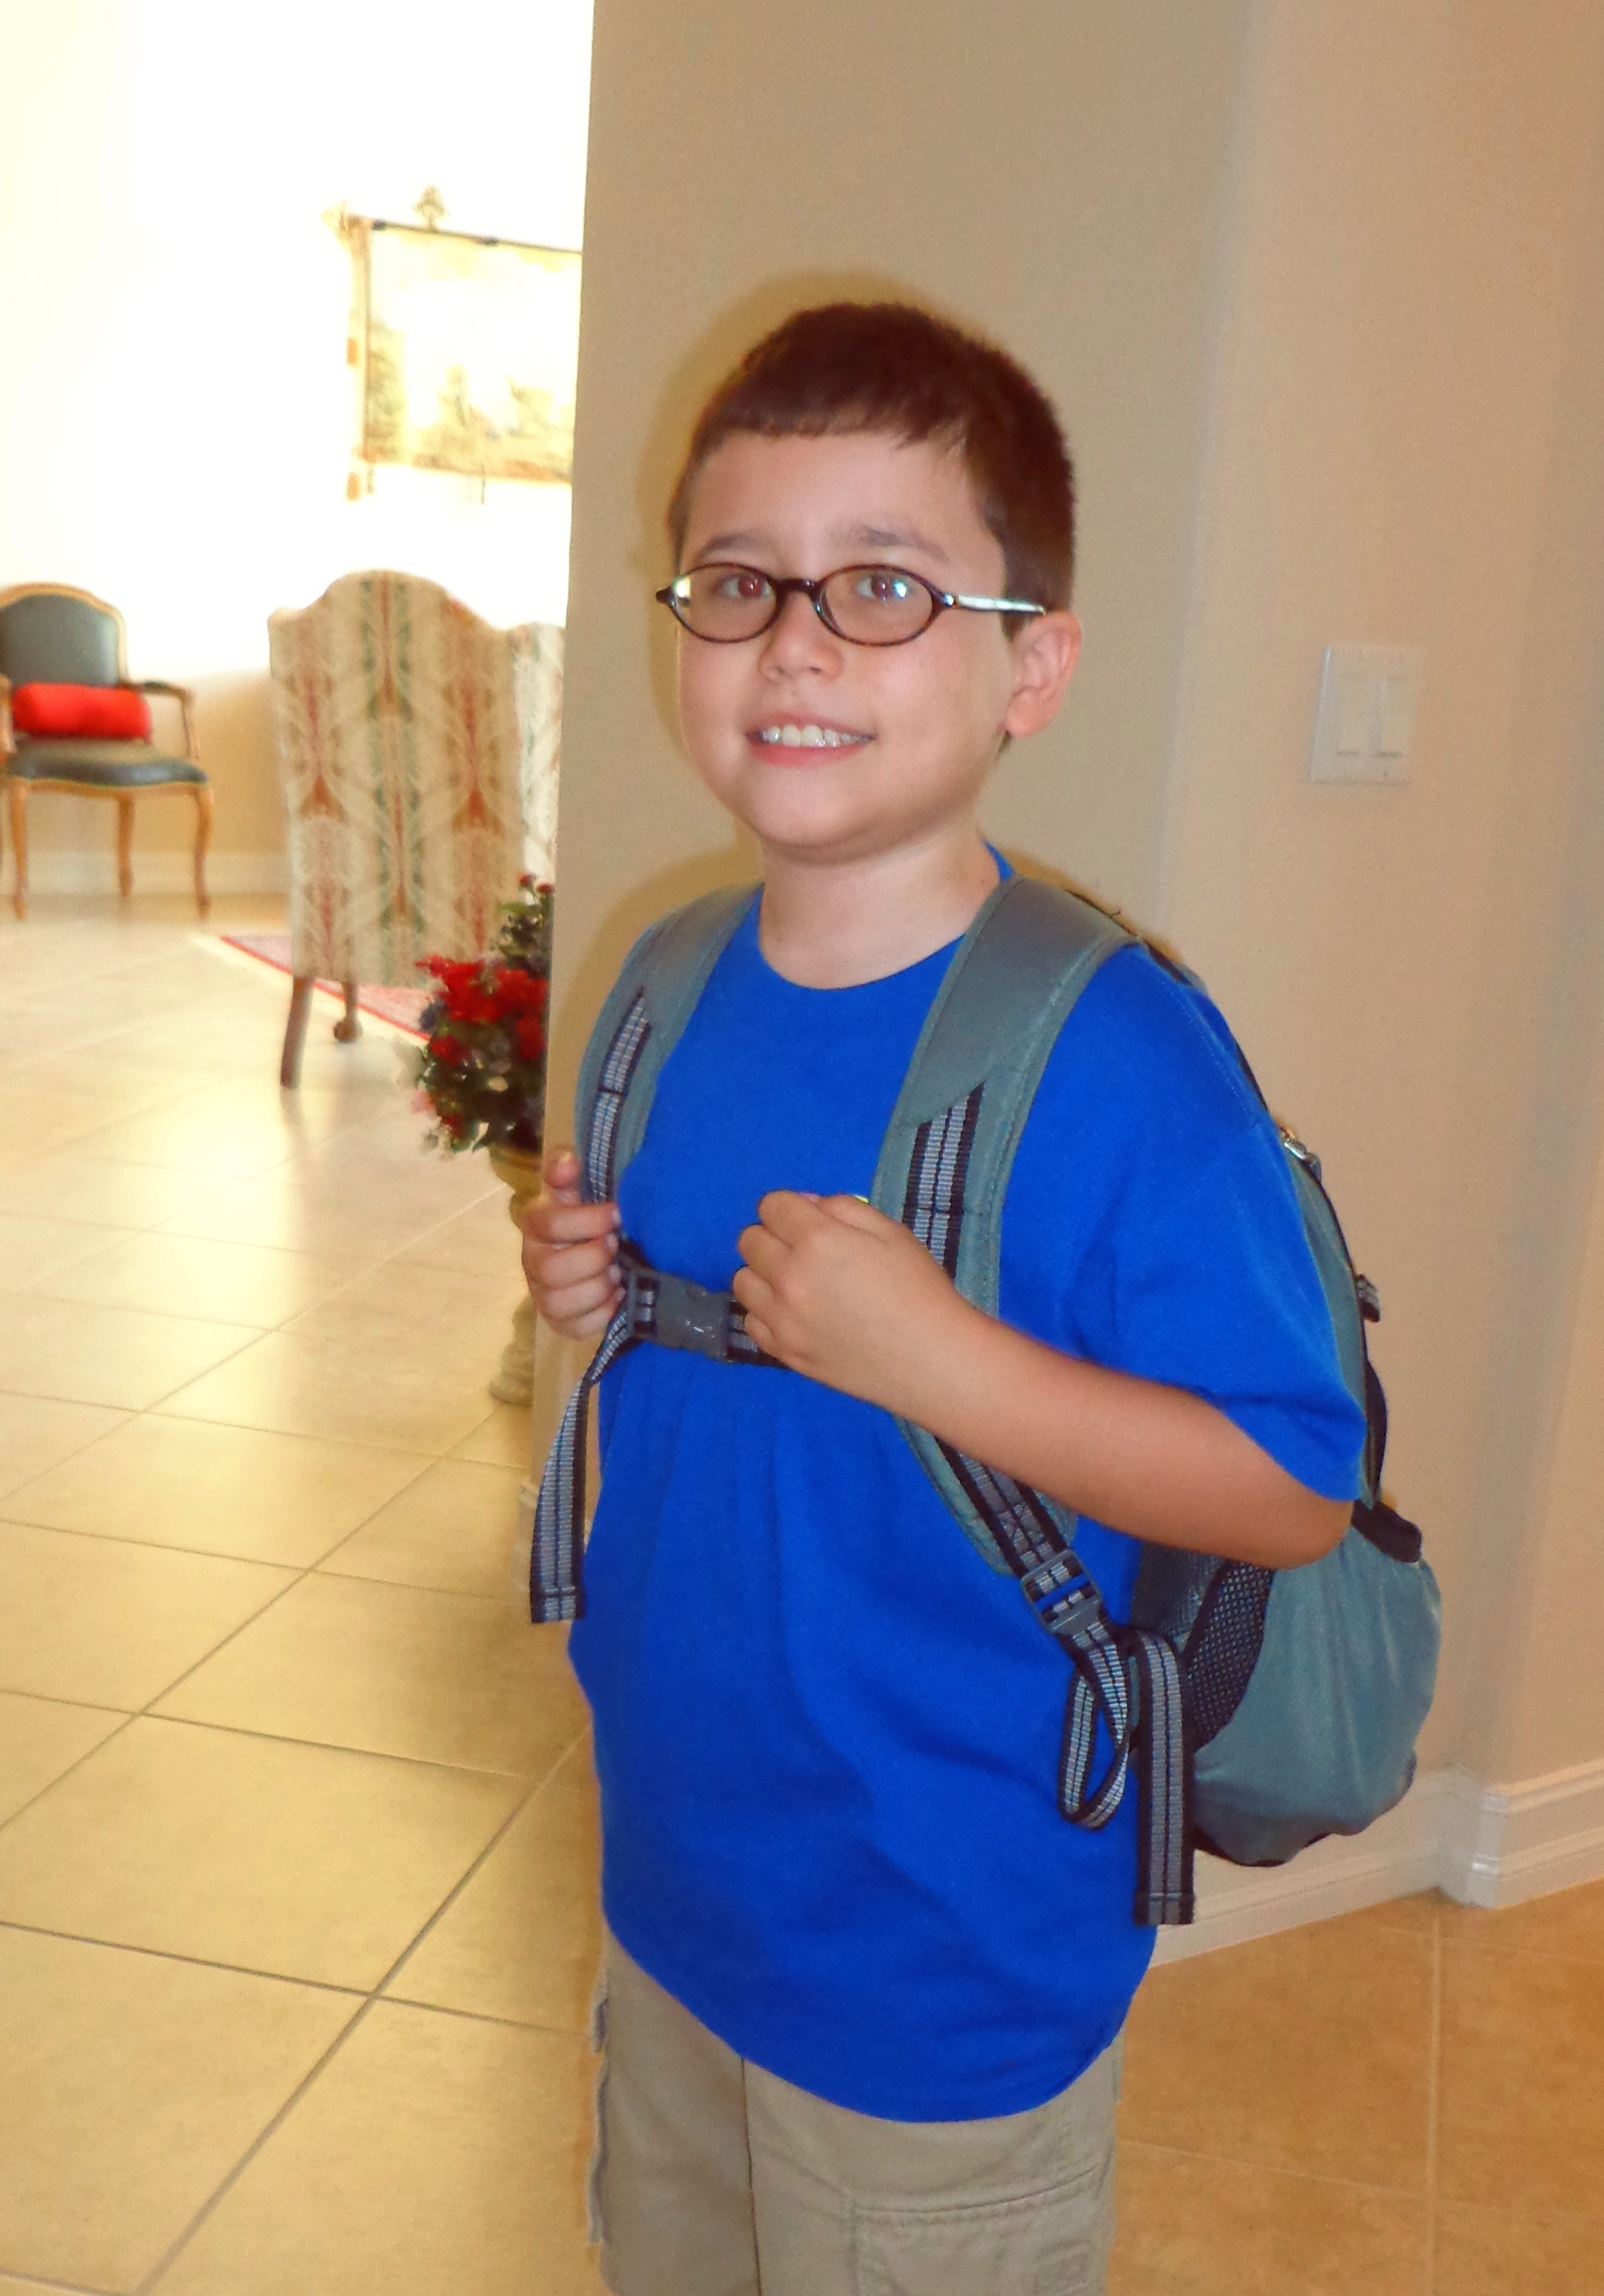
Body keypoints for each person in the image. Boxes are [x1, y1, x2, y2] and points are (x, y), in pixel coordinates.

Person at [520, 300, 1365, 2296]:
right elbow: (716, 1346)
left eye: (883, 587)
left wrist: (942, 1361)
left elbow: (1286, 1486)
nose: (795, 642)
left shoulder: (1118, 1056)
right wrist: (602, 1285)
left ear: (1029, 667)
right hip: (680, 1878)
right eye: (739, 580)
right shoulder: (662, 980)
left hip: (941, 1950)